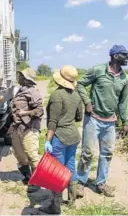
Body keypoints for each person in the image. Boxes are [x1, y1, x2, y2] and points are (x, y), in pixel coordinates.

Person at [76, 45, 128, 198]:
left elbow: (123, 102)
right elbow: (80, 84)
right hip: (93, 118)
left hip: (110, 122)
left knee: (107, 153)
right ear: (114, 56)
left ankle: (101, 183)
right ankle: (80, 183)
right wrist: (87, 102)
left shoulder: (124, 78)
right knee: (87, 153)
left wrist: (125, 121)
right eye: (124, 55)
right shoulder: (98, 70)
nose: (127, 58)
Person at [38, 65, 83, 215]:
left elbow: (53, 122)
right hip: (74, 136)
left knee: (56, 172)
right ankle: (72, 200)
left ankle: (55, 206)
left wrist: (48, 140)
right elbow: (79, 117)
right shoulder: (76, 95)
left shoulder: (57, 95)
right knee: (70, 167)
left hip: (60, 137)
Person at [9, 68, 44, 187]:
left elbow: (39, 111)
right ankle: (28, 177)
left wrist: (25, 113)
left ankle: (37, 182)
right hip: (18, 127)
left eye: (20, 75)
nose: (18, 77)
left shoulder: (32, 91)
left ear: (26, 79)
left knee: (32, 155)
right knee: (20, 155)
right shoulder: (21, 90)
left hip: (29, 128)